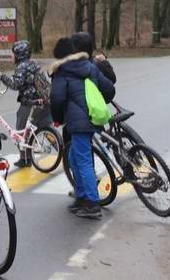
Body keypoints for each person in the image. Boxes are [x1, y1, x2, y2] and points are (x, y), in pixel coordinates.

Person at [50, 36, 116, 220]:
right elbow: (109, 88)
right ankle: (81, 197)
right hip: (92, 118)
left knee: (83, 160)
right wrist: (96, 103)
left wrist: (57, 118)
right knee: (73, 157)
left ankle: (92, 204)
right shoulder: (89, 66)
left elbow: (56, 99)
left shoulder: (62, 71)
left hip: (78, 122)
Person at [0, 40, 52, 167]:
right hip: (44, 102)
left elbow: (16, 84)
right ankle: (64, 151)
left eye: (13, 53)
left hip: (30, 103)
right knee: (47, 129)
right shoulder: (34, 64)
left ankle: (25, 159)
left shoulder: (21, 67)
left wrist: (2, 77)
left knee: (21, 132)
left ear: (19, 54)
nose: (12, 56)